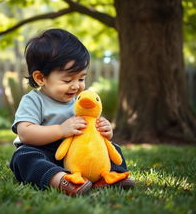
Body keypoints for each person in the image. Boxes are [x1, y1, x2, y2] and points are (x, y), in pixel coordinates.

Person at [9, 28, 134, 196]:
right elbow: (25, 133)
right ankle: (62, 180)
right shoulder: (33, 100)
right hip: (43, 151)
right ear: (40, 78)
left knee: (113, 148)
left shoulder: (79, 102)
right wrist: (61, 130)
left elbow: (91, 129)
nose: (76, 85)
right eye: (67, 80)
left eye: (81, 78)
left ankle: (112, 176)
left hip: (76, 153)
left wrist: (104, 131)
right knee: (23, 157)